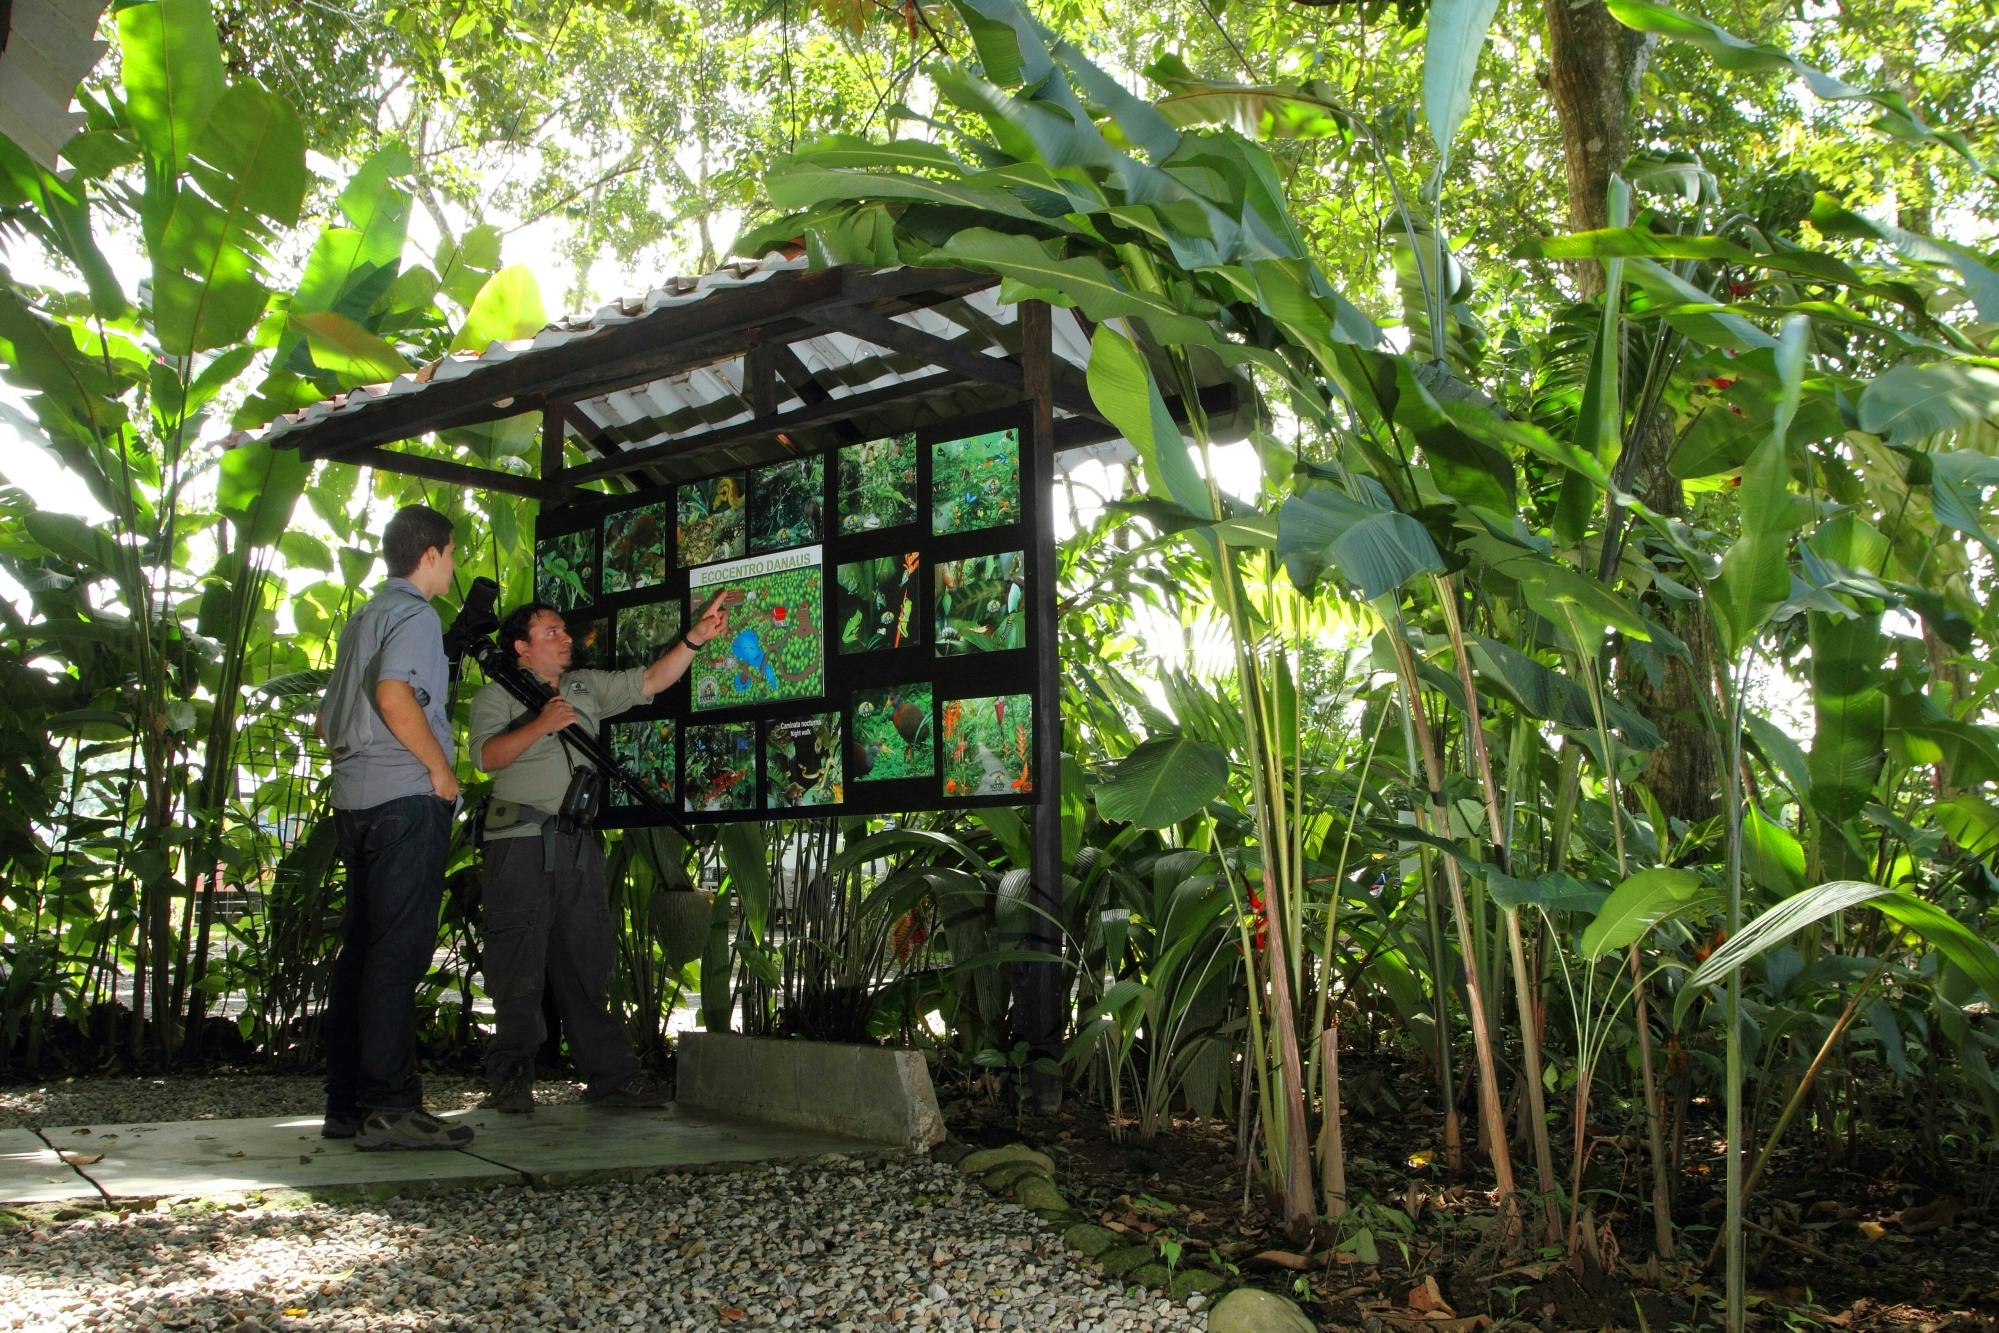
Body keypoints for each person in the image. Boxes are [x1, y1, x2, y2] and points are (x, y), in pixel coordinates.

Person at [469, 593, 730, 1113]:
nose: (566, 639)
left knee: (588, 962)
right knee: (517, 963)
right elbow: (486, 759)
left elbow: (652, 680)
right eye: (551, 633)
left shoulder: (584, 687)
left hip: (578, 841)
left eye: (564, 631)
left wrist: (695, 638)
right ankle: (510, 1079)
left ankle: (610, 1079)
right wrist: (541, 723)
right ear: (521, 648)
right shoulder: (495, 697)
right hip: (519, 843)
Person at [317, 504, 472, 1151]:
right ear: (432, 553)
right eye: (452, 553)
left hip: (356, 801)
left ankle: (346, 1103)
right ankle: (390, 1105)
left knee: (362, 950)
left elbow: (327, 719)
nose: (454, 565)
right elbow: (392, 694)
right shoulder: (415, 615)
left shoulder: (362, 617)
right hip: (405, 799)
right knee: (397, 952)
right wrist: (439, 770)